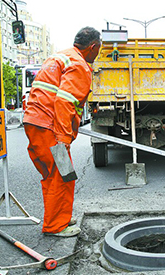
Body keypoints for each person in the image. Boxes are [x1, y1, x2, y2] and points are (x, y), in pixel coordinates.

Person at [23, 27, 101, 237]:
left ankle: (60, 217)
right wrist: (63, 138)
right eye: (99, 49)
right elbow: (65, 102)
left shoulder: (62, 57)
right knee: (62, 174)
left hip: (36, 122)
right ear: (92, 47)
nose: (98, 54)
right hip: (49, 126)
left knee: (53, 175)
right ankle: (56, 225)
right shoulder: (79, 65)